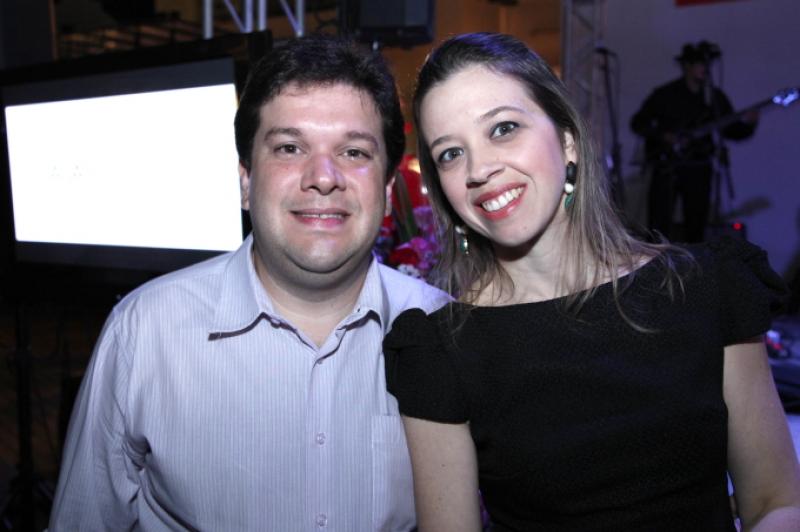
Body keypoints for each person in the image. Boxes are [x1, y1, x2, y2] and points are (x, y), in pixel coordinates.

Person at [383, 32, 800, 531]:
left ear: (568, 141)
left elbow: (776, 502)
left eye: (503, 128)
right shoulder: (440, 351)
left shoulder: (702, 288)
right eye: (451, 153)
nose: (480, 169)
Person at [48, 34, 448, 531]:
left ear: (387, 190)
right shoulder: (145, 331)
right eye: (289, 147)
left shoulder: (444, 331)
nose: (323, 176)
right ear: (245, 180)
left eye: (353, 151)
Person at [631, 41, 758, 243]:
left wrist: (750, 123)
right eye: (700, 63)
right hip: (667, 166)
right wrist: (664, 136)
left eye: (707, 64)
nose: (705, 68)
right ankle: (655, 260)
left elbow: (732, 131)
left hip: (698, 167)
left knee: (696, 224)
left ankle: (694, 262)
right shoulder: (665, 94)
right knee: (658, 224)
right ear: (687, 66)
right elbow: (638, 123)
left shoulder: (714, 98)